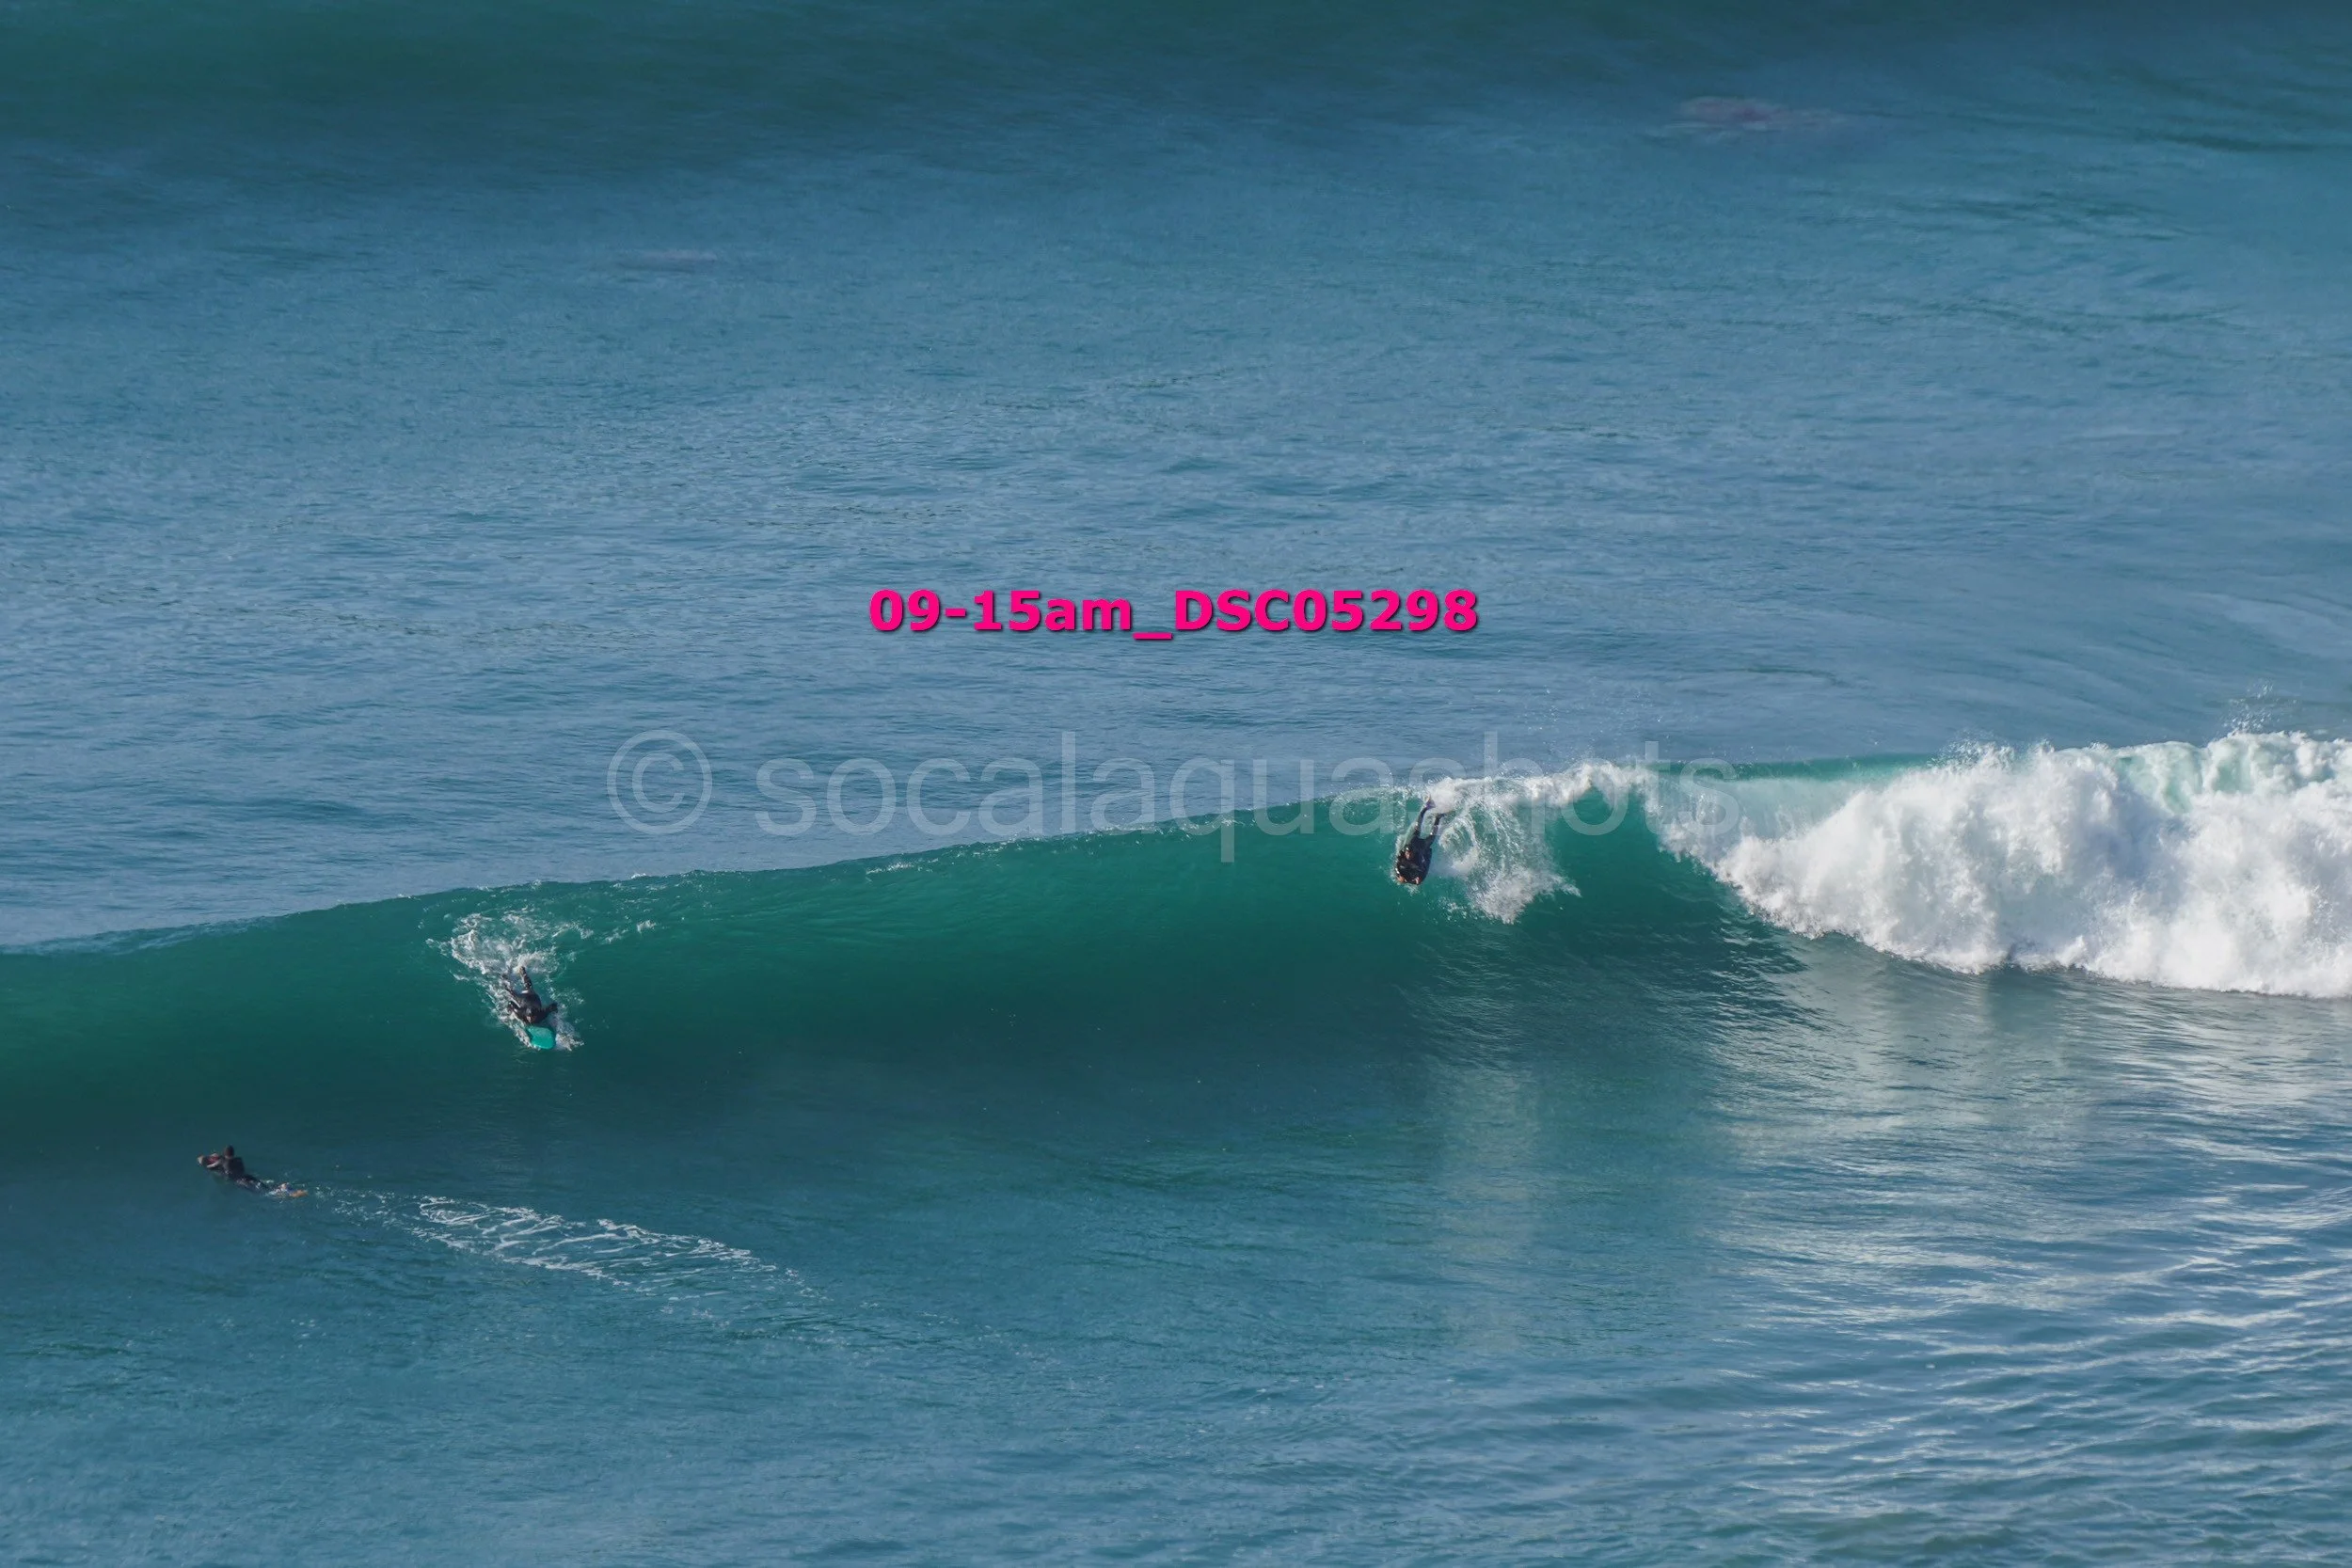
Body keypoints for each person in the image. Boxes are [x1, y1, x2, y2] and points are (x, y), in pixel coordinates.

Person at [1393, 801, 1449, 886]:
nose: (1408, 855)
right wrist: (1399, 875)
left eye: (1409, 854)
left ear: (1412, 853)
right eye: (1407, 853)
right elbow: (1396, 865)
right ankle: (1429, 811)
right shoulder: (1403, 853)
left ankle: (1435, 816)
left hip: (1422, 847)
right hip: (1414, 842)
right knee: (1417, 830)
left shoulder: (1417, 859)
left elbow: (1423, 871)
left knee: (1430, 837)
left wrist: (1419, 878)